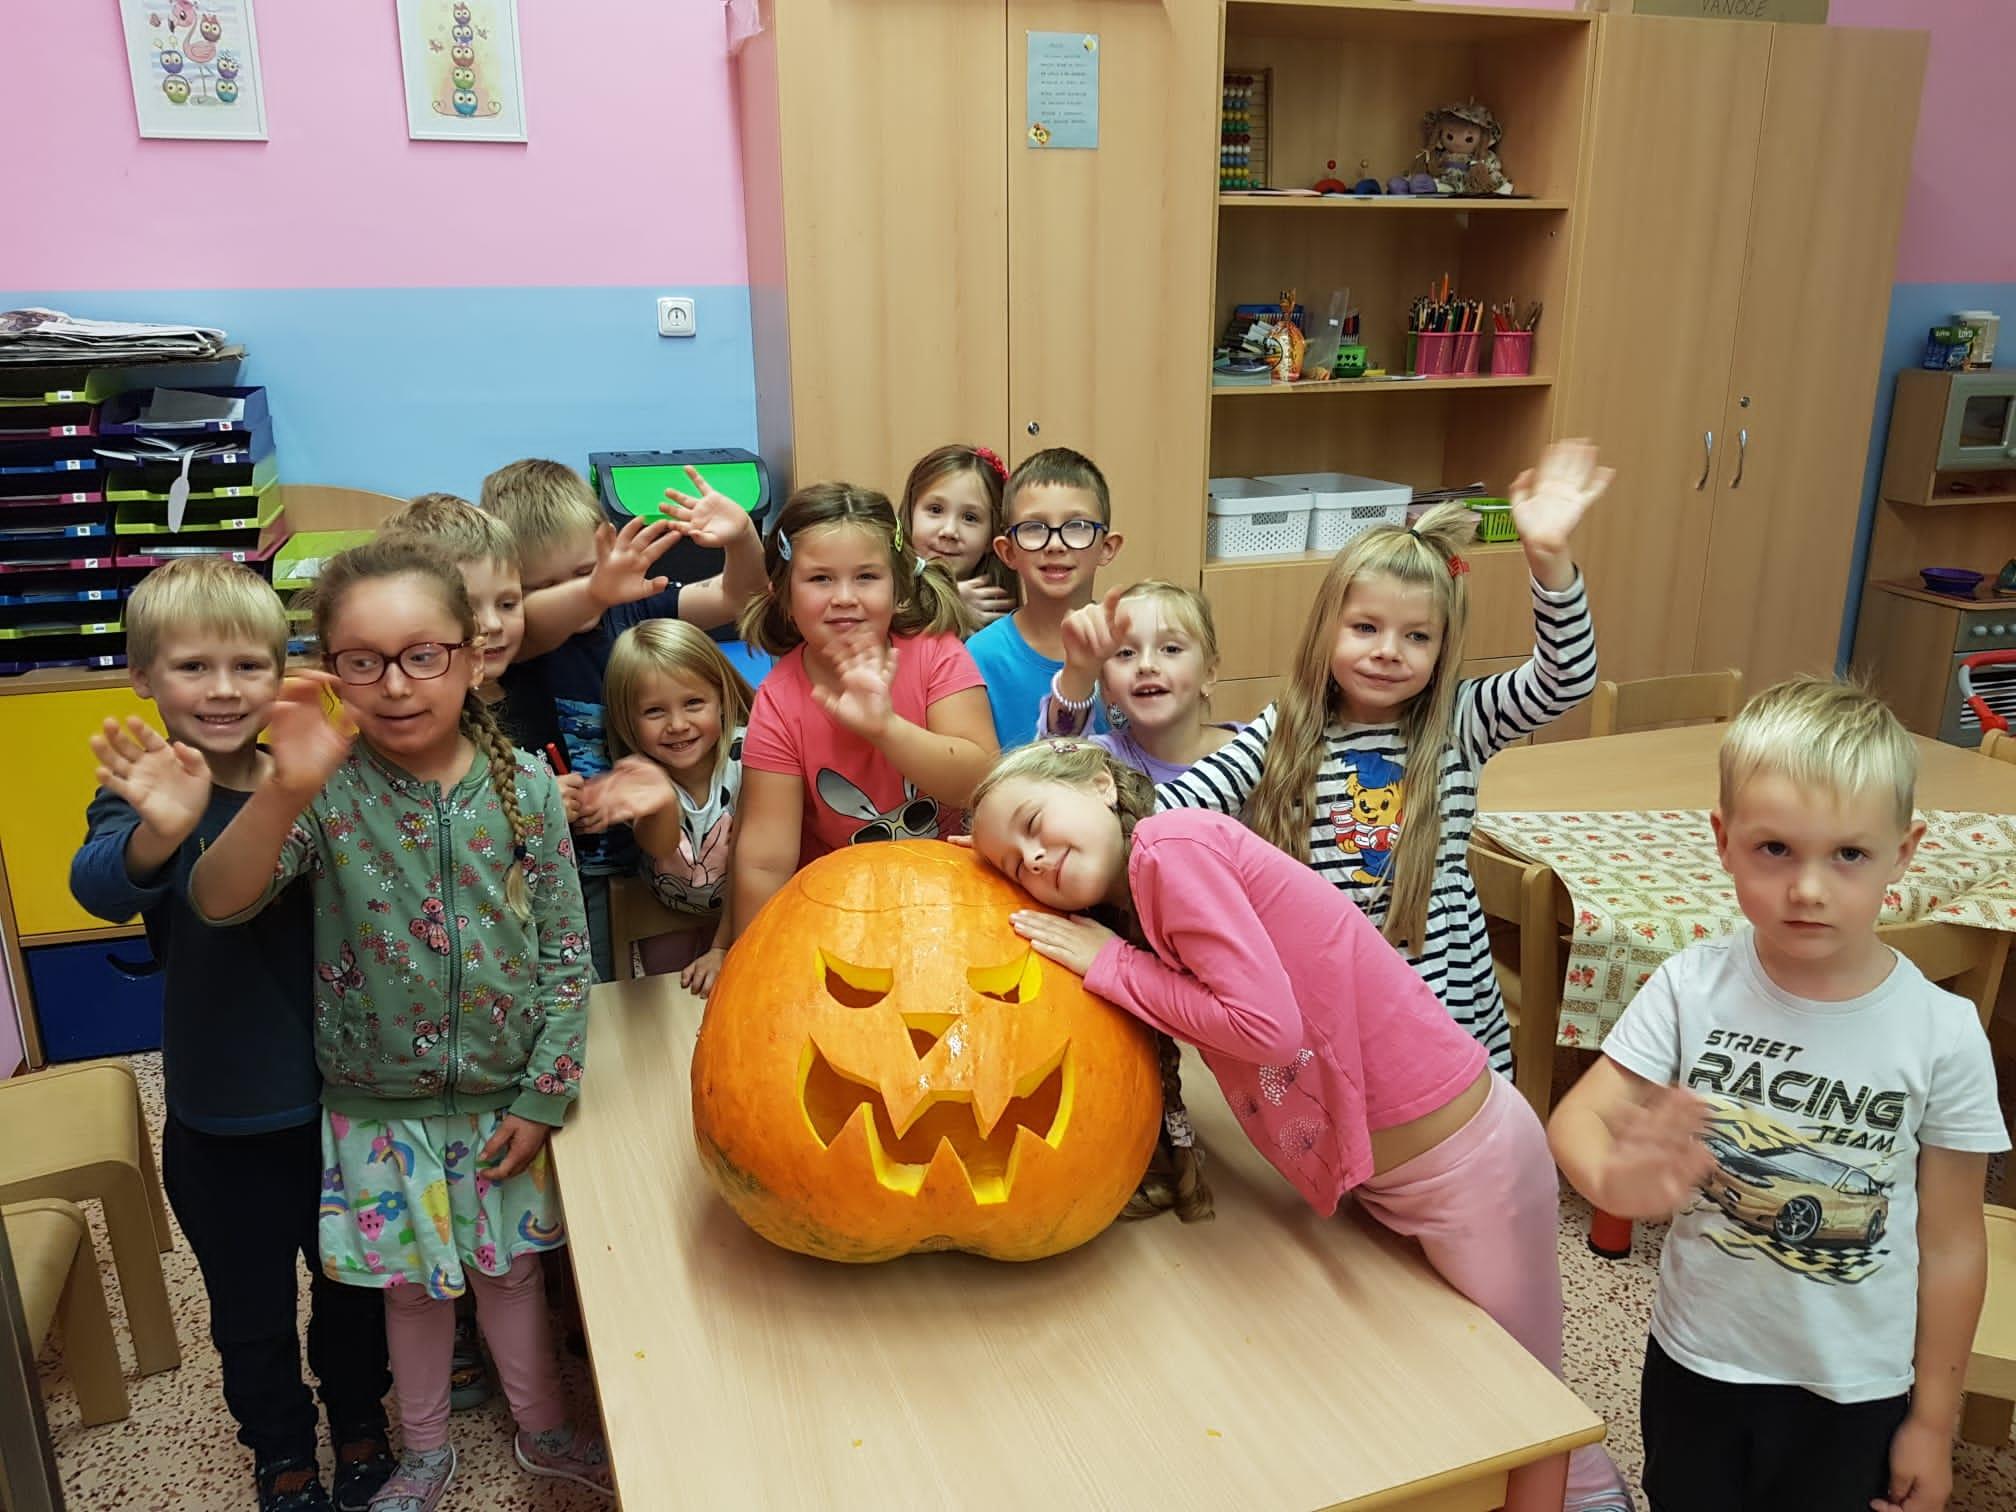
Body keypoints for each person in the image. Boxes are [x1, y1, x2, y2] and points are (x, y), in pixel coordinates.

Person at [964, 741, 1630, 1512]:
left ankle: (1592, 1498)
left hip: (1470, 1167)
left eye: (1033, 822)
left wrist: (1112, 964)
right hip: (1401, 1176)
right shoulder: (1142, 885)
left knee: (1528, 1408)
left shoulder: (1169, 850)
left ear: (1098, 782)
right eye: (1012, 863)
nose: (1032, 856)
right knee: (1471, 1386)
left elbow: (1265, 1028)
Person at [189, 540, 609, 1512]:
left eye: (422, 654)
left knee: (512, 1277)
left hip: (506, 1098)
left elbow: (565, 953)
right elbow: (218, 902)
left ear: (471, 656)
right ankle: (422, 1450)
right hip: (376, 1104)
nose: (395, 683)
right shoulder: (324, 788)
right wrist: (284, 788)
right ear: (330, 669)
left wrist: (544, 1096)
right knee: (410, 1291)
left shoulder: (527, 787)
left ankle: (544, 1427)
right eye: (363, 660)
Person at [1548, 678, 2006, 1512]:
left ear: (1905, 852)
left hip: (1855, 1387)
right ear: (1724, 842)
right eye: (1775, 850)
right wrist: (1613, 1180)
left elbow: (1951, 1244)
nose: (1808, 888)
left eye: (1849, 855)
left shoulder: (1944, 1032)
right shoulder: (1690, 985)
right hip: (1695, 1363)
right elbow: (1579, 1116)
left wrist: (1934, 1422)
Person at [71, 558, 393, 1512]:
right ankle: (280, 1448)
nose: (222, 690)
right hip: (220, 1115)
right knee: (249, 1312)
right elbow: (98, 885)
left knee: (350, 1288)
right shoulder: (151, 789)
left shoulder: (319, 775)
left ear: (282, 671)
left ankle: (361, 1418)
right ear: (143, 677)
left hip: (338, 1099)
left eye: (248, 666)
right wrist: (157, 835)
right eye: (192, 667)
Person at [1156, 441, 1611, 1070]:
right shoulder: (1285, 728)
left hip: (1441, 1005)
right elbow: (1177, 805)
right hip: (1327, 1000)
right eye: (1366, 628)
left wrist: (1550, 559)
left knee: (1437, 1124)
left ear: (1443, 647)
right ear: (1327, 629)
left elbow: (1567, 678)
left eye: (1417, 635)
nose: (1388, 650)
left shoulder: (1460, 721)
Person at [481, 457, 764, 980]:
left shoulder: (631, 610)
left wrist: (742, 538)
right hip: (573, 865)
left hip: (658, 851)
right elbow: (534, 625)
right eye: (541, 587)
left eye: (586, 571)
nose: (588, 590)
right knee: (592, 984)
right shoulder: (518, 643)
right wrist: (591, 590)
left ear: (606, 544)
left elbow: (739, 597)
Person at [730, 482, 996, 934]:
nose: (844, 597)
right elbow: (765, 861)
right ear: (784, 595)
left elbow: (980, 780)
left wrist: (885, 729)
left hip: (954, 897)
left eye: (866, 577)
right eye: (820, 579)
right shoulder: (778, 701)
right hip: (842, 911)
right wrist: (749, 958)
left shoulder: (937, 652)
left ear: (898, 587)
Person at [579, 619, 753, 992]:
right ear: (627, 719)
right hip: (665, 912)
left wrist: (723, 945)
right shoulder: (637, 777)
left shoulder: (751, 757)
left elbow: (752, 863)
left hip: (745, 911)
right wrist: (658, 803)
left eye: (693, 703)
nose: (677, 724)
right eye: (654, 711)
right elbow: (659, 847)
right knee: (673, 998)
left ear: (721, 699)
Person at [965, 447, 1122, 747]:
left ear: (1107, 547)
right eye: (1034, 528)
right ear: (1008, 552)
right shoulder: (980, 656)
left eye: (1077, 526)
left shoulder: (1132, 644)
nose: (1055, 545)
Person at [1036, 580, 1240, 781]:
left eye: (1171, 649)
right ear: (1106, 686)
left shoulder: (1250, 752)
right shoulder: (1104, 763)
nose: (1146, 665)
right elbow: (1050, 772)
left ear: (1209, 673)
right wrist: (1079, 671)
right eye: (1126, 653)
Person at [379, 492, 527, 750]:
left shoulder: (530, 676)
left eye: (507, 604)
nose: (493, 624)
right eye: (468, 608)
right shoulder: (415, 719)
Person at [900, 442, 1018, 634]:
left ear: (992, 537)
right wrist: (949, 604)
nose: (949, 531)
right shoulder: (884, 580)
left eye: (970, 518)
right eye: (935, 510)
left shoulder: (999, 626)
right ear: (911, 512)